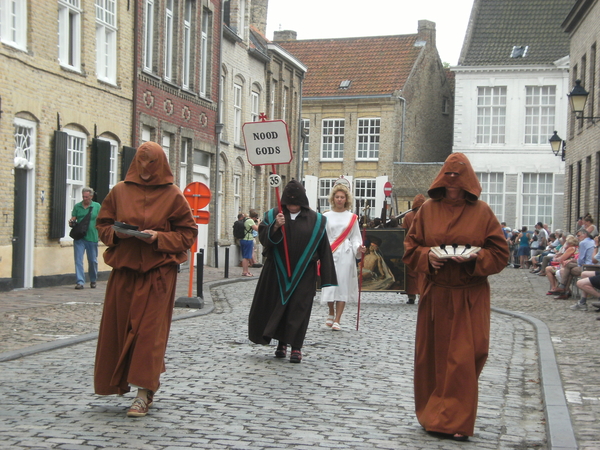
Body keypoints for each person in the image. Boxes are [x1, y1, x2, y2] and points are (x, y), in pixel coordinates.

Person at [402, 153, 509, 442]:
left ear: (467, 182)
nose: (452, 186)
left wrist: (475, 258)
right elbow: (411, 248)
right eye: (447, 179)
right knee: (432, 357)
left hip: (469, 295)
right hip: (436, 294)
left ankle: (456, 420)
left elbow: (500, 254)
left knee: (463, 358)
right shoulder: (427, 211)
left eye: (457, 180)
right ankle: (431, 414)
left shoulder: (483, 212)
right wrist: (428, 258)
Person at [94, 141, 198, 418]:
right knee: (119, 329)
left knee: (149, 335)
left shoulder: (174, 195)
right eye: (141, 162)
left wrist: (159, 237)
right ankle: (119, 382)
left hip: (158, 275)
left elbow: (187, 234)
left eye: (151, 163)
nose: (145, 169)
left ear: (161, 163)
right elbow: (102, 225)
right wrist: (118, 234)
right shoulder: (119, 191)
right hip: (124, 273)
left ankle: (143, 393)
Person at [248, 180, 337, 363]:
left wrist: (327, 277)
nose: (292, 206)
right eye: (289, 203)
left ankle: (296, 347)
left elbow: (323, 247)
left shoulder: (316, 220)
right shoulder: (273, 215)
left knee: (299, 308)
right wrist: (275, 226)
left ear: (303, 202)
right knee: (278, 307)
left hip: (304, 272)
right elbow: (265, 241)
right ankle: (281, 343)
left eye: (296, 203)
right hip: (277, 271)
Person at [320, 184, 366, 331]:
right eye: (337, 197)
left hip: (346, 253)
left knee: (342, 285)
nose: (339, 199)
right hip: (330, 252)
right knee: (330, 284)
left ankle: (338, 319)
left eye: (342, 197)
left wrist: (359, 247)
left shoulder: (352, 217)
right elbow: (322, 236)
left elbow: (355, 238)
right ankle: (331, 312)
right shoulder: (326, 216)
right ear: (333, 198)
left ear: (346, 199)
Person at [69, 187, 101, 289]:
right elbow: (73, 218)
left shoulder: (96, 206)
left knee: (92, 260)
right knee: (78, 260)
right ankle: (80, 282)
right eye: (83, 196)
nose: (85, 198)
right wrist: (71, 222)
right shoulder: (77, 206)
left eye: (87, 197)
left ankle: (93, 279)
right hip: (79, 237)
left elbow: (101, 220)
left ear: (91, 196)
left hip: (92, 237)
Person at [401, 194, 426, 304]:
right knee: (419, 271)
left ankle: (413, 295)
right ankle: (418, 294)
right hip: (420, 246)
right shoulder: (427, 215)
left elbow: (404, 231)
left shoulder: (409, 216)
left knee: (415, 272)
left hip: (412, 246)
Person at [241, 210, 260, 277]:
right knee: (246, 257)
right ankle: (245, 272)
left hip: (243, 239)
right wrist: (259, 222)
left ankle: (246, 271)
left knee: (246, 256)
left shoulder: (245, 219)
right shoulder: (250, 221)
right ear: (254, 217)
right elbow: (257, 229)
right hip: (248, 239)